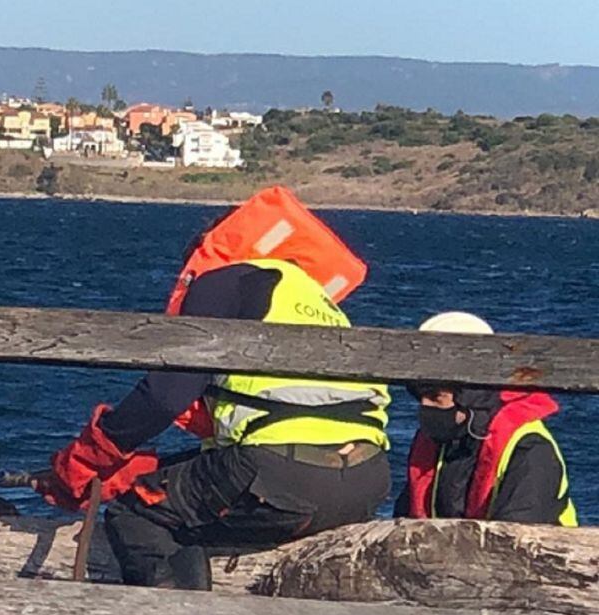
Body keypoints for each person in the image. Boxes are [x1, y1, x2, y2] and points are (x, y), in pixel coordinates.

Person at [36, 186, 392, 590]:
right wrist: (146, 468)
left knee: (138, 512)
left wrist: (89, 459)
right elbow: (279, 418)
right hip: (367, 481)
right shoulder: (314, 296)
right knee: (188, 501)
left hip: (282, 479)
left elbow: (165, 396)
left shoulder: (224, 280)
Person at [395, 312, 577, 526]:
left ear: (469, 395)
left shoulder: (529, 449)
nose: (425, 407)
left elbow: (519, 540)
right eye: (420, 396)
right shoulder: (443, 441)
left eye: (436, 397)